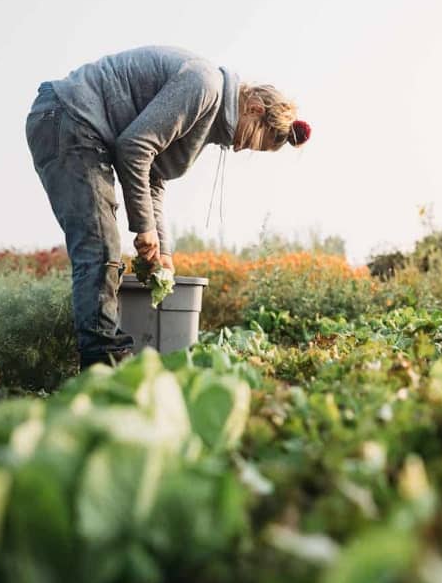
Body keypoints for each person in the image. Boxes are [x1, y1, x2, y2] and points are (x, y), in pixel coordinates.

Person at [25, 46, 310, 369]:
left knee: (102, 246)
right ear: (254, 109)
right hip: (68, 115)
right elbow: (134, 149)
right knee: (99, 245)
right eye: (253, 139)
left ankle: (101, 360)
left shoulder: (207, 120)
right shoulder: (204, 85)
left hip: (76, 124)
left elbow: (153, 178)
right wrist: (144, 229)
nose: (241, 147)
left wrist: (165, 253)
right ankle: (101, 367)